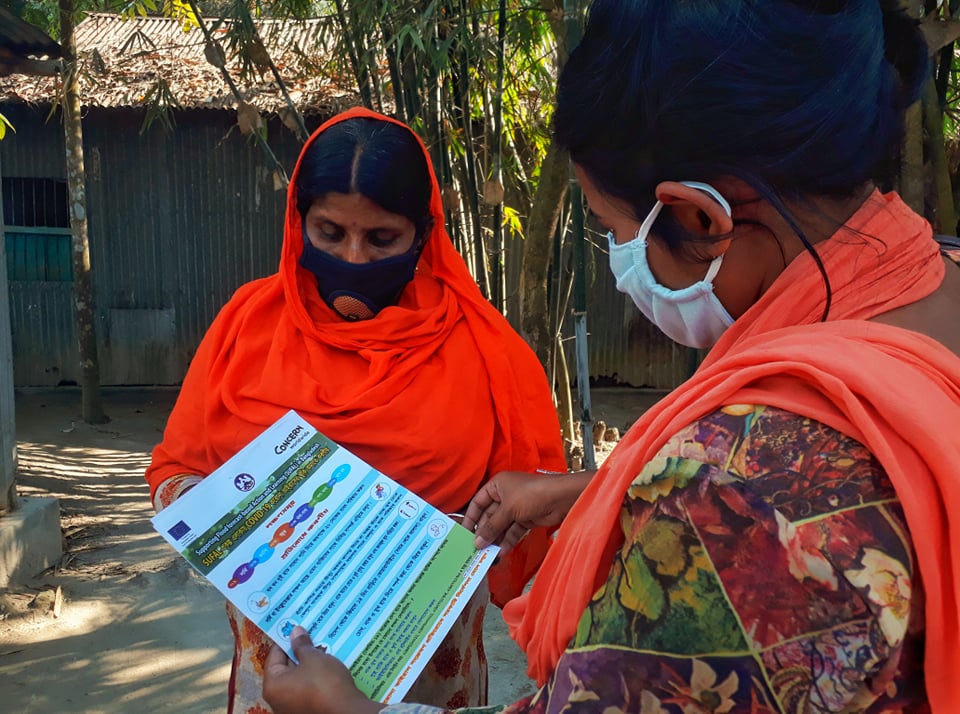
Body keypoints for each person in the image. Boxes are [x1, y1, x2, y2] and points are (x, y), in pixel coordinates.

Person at [257, 1, 960, 712]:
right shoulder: (939, 283)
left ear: (699, 218)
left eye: (612, 228)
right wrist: (607, 491)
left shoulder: (735, 502)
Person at [144, 107, 566, 713]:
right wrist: (244, 519)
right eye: (330, 233)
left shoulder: (481, 344)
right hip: (280, 669)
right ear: (299, 223)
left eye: (382, 238)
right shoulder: (246, 324)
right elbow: (174, 473)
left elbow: (532, 503)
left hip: (429, 672)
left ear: (422, 232)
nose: (355, 259)